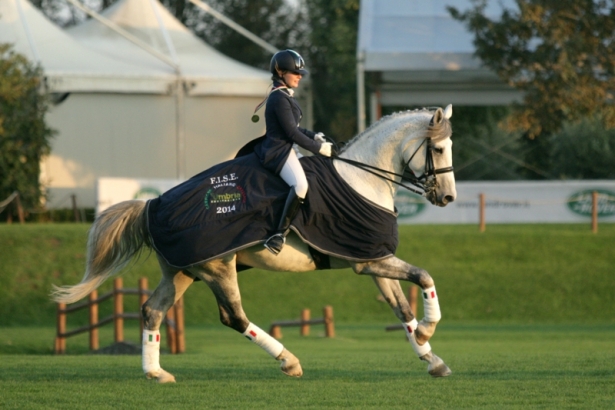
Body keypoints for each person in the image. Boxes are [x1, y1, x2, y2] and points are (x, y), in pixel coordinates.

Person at [254, 49, 333, 255]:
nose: (299, 76)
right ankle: (277, 235)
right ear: (280, 72)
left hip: (289, 148)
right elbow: (290, 133)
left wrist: (314, 135)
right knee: (300, 186)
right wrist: (318, 149)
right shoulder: (279, 98)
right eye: (294, 72)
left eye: (300, 73)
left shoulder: (285, 96)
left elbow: (295, 128)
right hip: (279, 152)